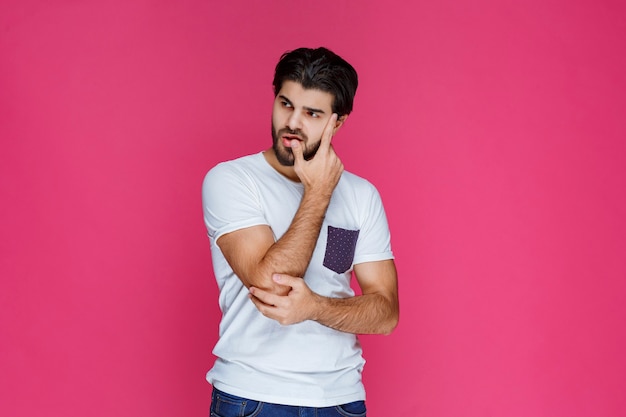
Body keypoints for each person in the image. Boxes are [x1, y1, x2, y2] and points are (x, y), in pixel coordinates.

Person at [202, 47, 399, 417]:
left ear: (336, 123)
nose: (292, 122)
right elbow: (273, 285)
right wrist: (320, 191)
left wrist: (314, 307)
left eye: (312, 113)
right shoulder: (231, 180)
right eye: (285, 104)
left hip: (340, 401)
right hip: (252, 397)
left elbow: (386, 312)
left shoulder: (361, 195)